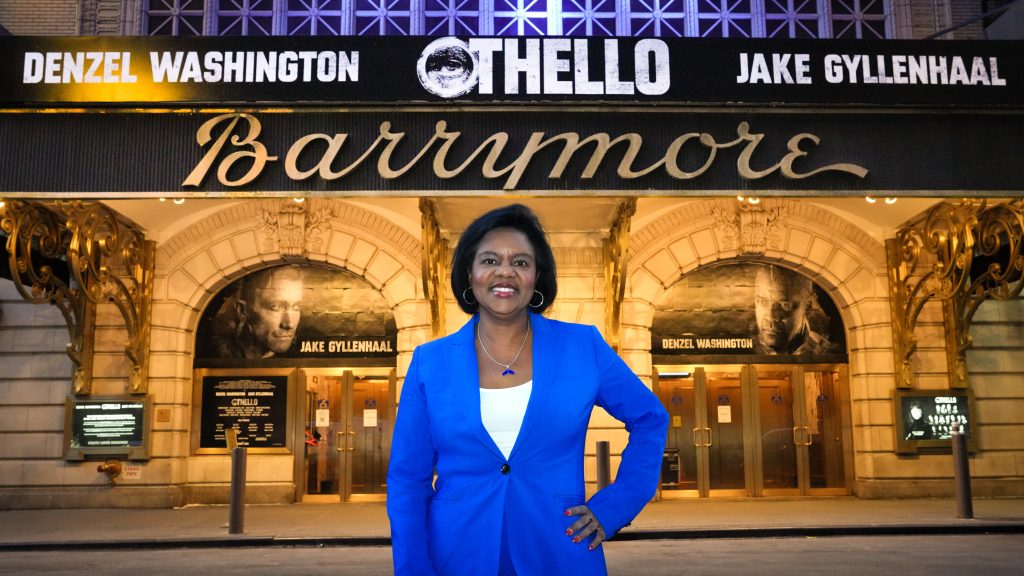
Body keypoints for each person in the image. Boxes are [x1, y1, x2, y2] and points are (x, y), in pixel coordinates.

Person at [387, 204, 669, 575]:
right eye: (489, 260)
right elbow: (409, 478)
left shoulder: (583, 347)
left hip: (560, 547)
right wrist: (412, 569)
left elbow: (650, 418)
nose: (505, 271)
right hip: (456, 553)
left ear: (537, 277)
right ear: (469, 274)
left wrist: (615, 505)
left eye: (521, 262)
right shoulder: (430, 362)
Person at [213, 265, 304, 359]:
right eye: (276, 307)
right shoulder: (214, 354)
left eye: (296, 307)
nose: (289, 324)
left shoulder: (301, 360)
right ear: (242, 311)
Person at [752, 265, 835, 356]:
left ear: (808, 305)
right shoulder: (744, 349)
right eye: (763, 301)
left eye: (785, 305)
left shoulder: (825, 354)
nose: (771, 317)